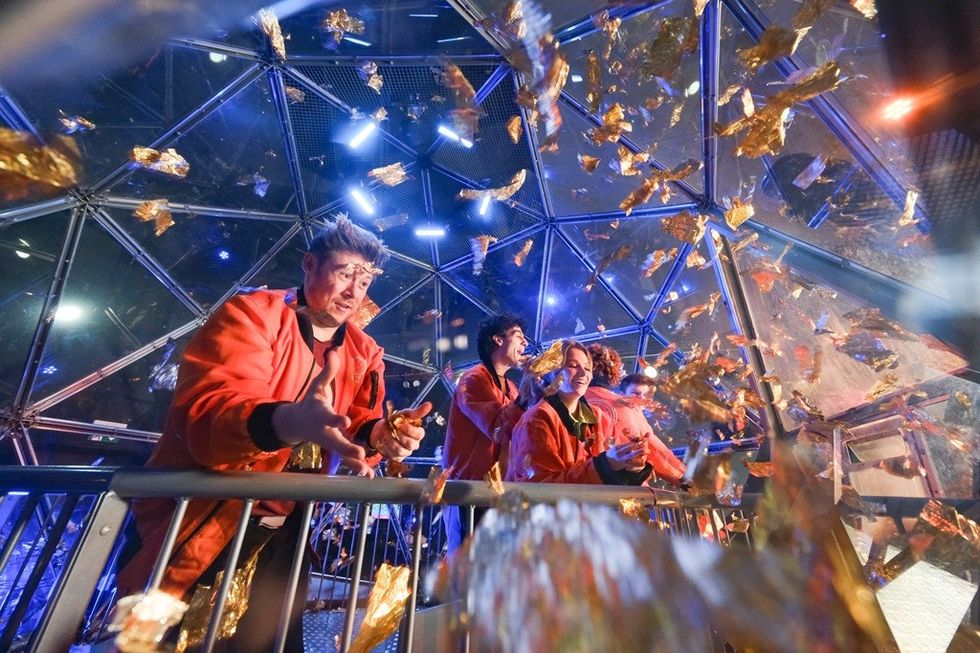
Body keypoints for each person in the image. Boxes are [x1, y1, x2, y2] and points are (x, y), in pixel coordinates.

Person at [117, 216, 430, 652]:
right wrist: (288, 423)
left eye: (364, 282)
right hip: (205, 518)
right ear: (310, 265)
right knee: (177, 641)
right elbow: (208, 417)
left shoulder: (363, 351)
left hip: (287, 531)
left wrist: (382, 435)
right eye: (344, 274)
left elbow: (358, 422)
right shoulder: (251, 316)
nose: (353, 292)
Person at [505, 340, 651, 485]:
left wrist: (628, 466)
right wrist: (604, 465)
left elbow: (608, 472)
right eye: (572, 366)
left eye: (587, 368)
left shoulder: (599, 417)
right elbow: (540, 487)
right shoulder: (536, 420)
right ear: (551, 371)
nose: (583, 373)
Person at [441, 314, 528, 552]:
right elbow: (497, 429)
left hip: (497, 491)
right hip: (470, 491)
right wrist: (525, 397)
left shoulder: (511, 388)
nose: (525, 343)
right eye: (518, 336)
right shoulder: (474, 378)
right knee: (468, 559)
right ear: (498, 340)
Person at [586, 346, 687, 485]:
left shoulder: (565, 404)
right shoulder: (628, 407)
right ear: (614, 373)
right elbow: (655, 450)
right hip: (623, 490)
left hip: (575, 488)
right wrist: (684, 479)